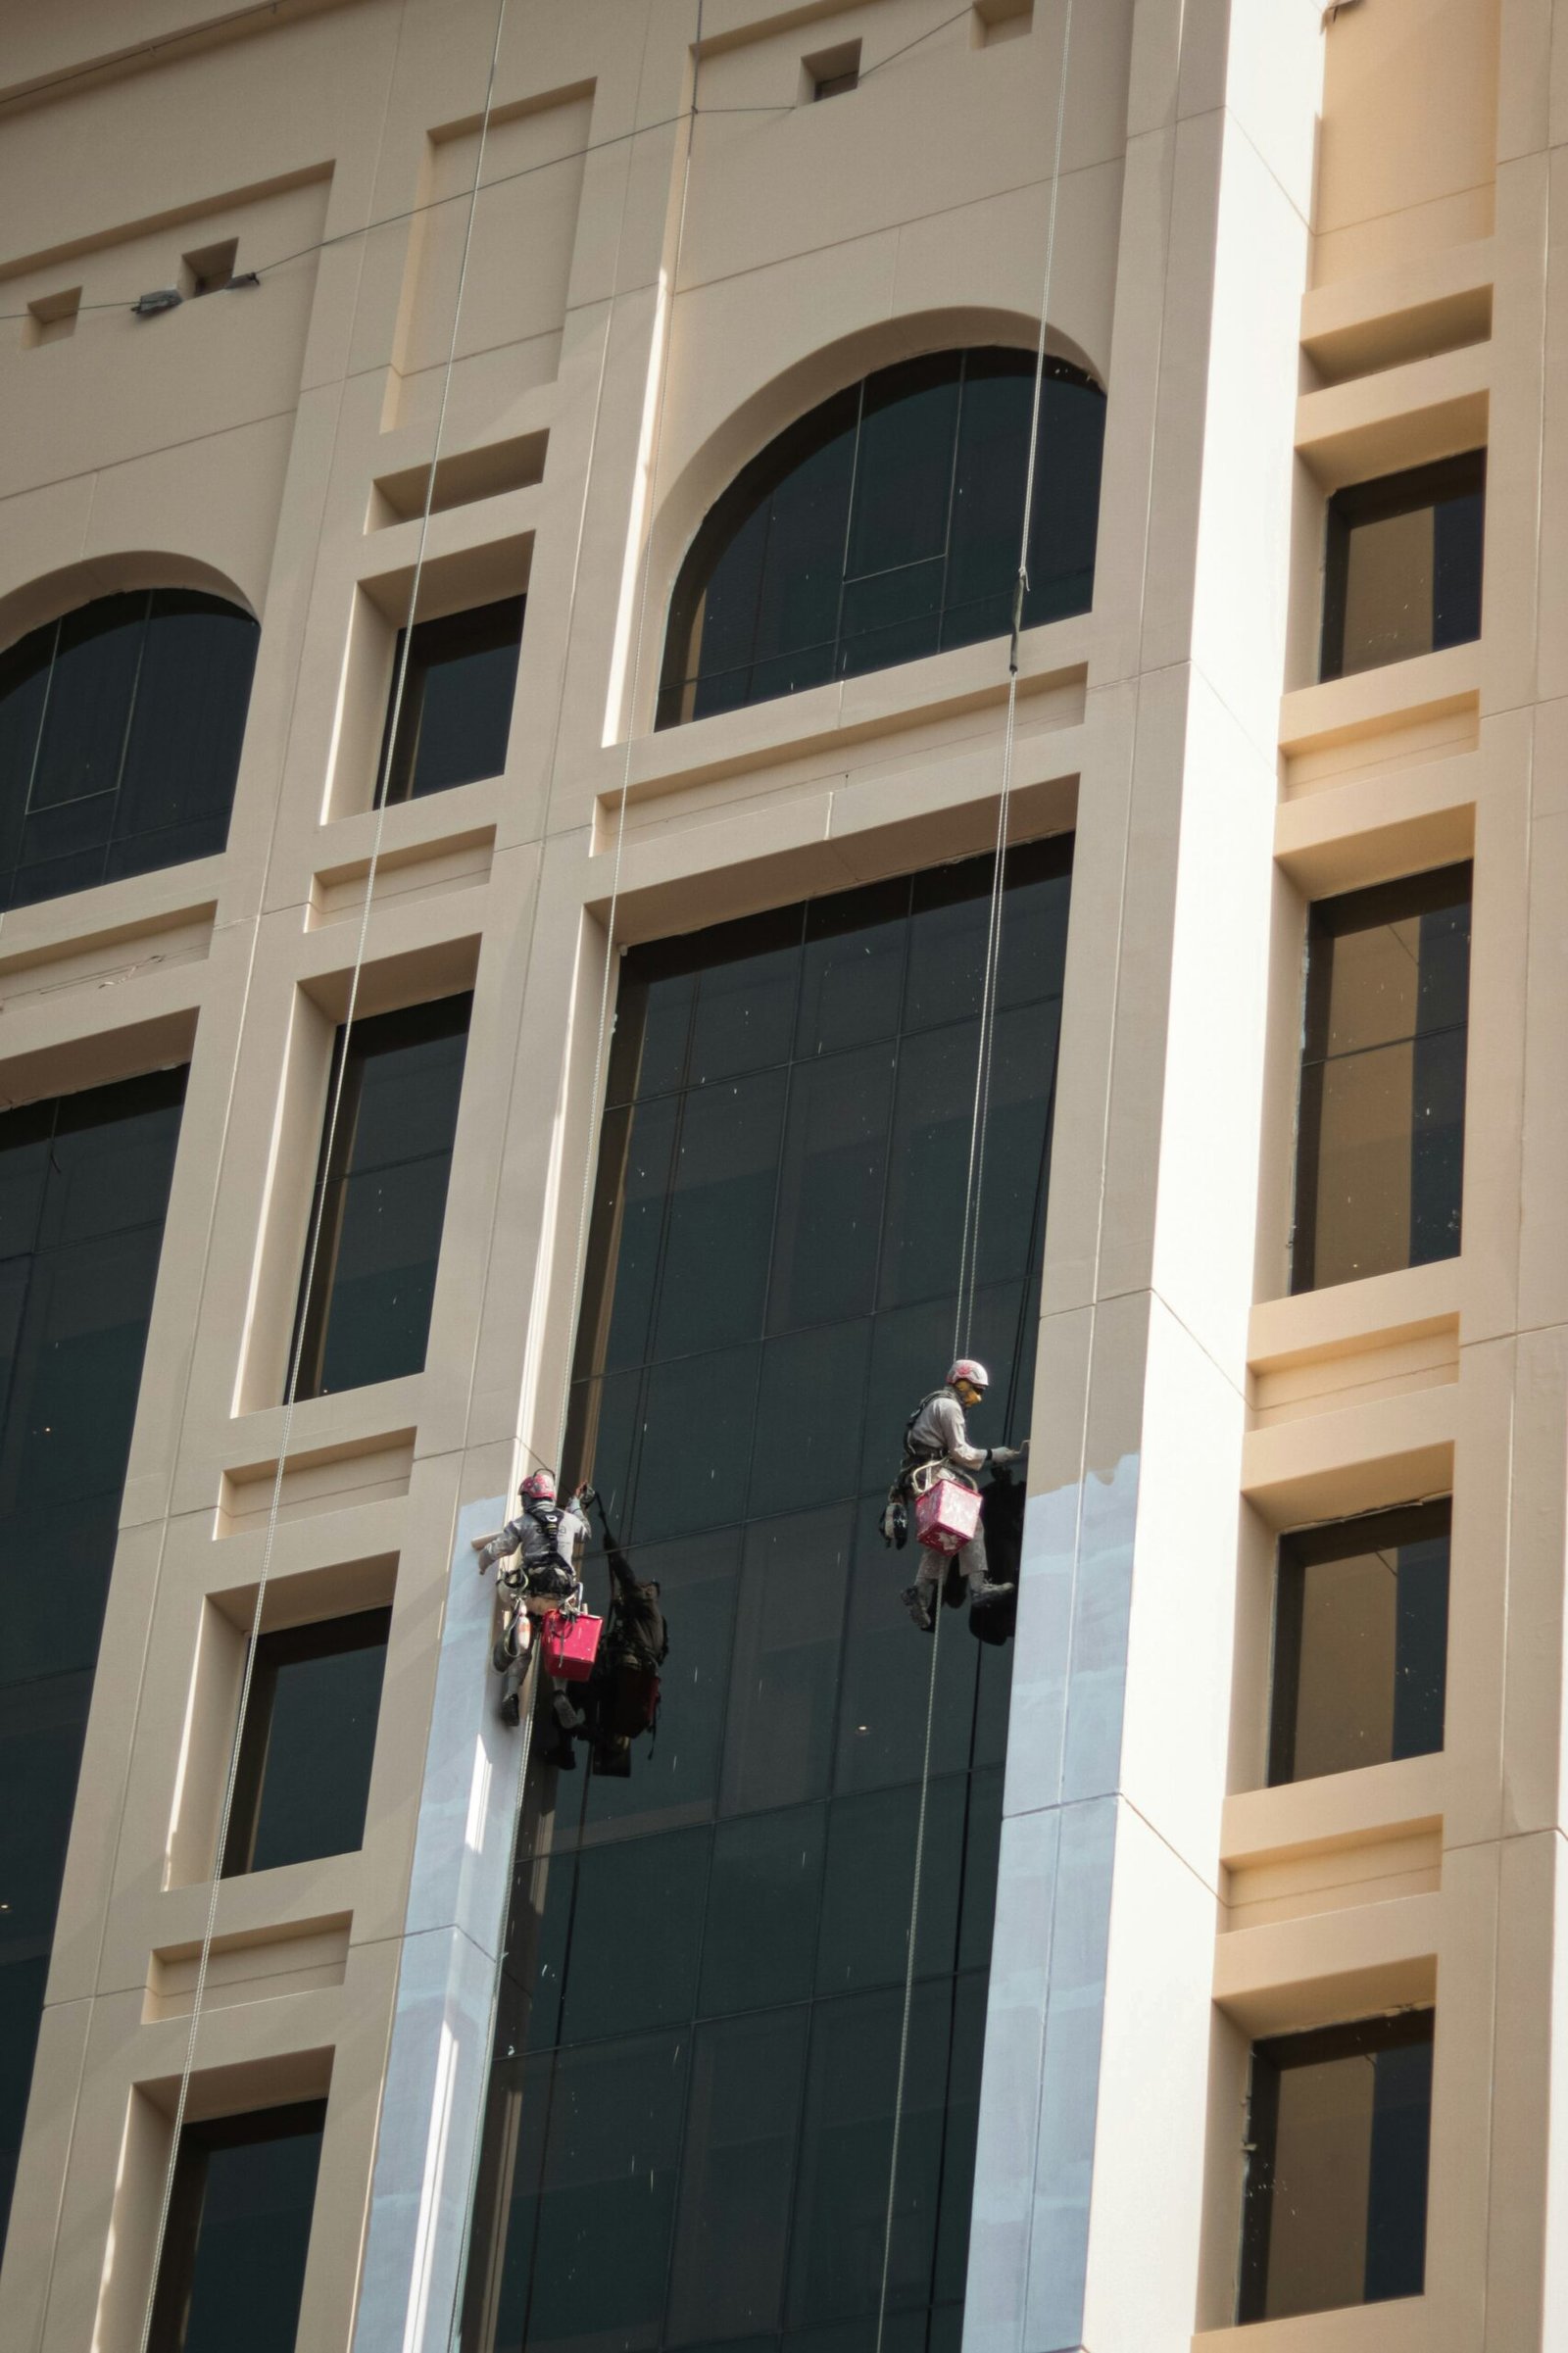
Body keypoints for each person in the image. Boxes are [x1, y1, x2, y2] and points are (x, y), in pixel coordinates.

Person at [897, 1358, 1025, 1632]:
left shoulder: (937, 1403)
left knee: (945, 1536)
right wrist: (994, 1454)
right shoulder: (949, 1406)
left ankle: (919, 1590)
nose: (976, 1398)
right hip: (933, 1474)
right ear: (960, 1382)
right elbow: (961, 1453)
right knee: (971, 1524)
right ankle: (979, 1587)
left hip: (924, 1475)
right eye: (973, 1390)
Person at [473, 1470, 592, 1727]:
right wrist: (575, 1505)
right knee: (558, 1647)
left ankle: (511, 1693)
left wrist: (482, 1562)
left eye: (524, 1497)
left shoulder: (522, 1522)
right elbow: (586, 1532)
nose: (523, 1502)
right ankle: (560, 1692)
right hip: (561, 1595)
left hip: (529, 1593)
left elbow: (499, 1549)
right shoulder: (570, 1520)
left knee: (523, 1648)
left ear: (531, 1496)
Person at [577, 1486, 667, 1778]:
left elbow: (628, 1581)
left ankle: (591, 1727)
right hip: (635, 1673)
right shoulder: (649, 1620)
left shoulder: (646, 1602)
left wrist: (613, 1551)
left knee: (588, 1676)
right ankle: (600, 1734)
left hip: (629, 1667)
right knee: (599, 1685)